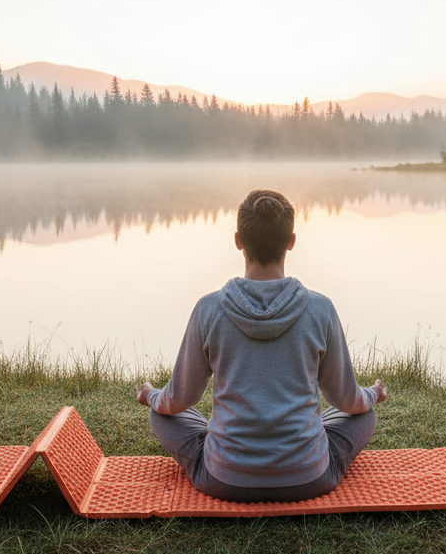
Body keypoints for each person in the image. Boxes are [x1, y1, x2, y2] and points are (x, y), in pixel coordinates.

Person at [135, 189, 387, 503]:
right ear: (291, 241)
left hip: (224, 479)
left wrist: (151, 395)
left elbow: (176, 401)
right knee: (366, 415)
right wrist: (374, 393)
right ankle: (301, 450)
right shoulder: (320, 309)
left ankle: (229, 456)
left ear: (238, 240)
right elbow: (348, 401)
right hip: (309, 477)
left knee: (160, 415)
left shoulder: (208, 309)